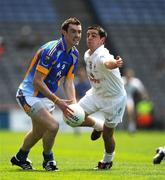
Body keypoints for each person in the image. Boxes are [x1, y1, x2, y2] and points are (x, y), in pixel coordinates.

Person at [10, 17, 83, 171]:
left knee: (38, 132)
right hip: (29, 94)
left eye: (79, 32)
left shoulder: (74, 55)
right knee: (53, 126)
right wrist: (58, 102)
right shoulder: (51, 51)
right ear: (64, 32)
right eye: (73, 31)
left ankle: (20, 157)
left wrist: (73, 103)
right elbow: (37, 81)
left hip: (46, 97)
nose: (77, 35)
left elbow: (68, 81)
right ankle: (48, 160)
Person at [78, 25, 127, 170]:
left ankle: (107, 160)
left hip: (114, 99)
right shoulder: (88, 54)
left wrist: (114, 64)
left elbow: (107, 62)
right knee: (71, 117)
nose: (89, 38)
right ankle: (98, 125)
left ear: (102, 40)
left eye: (94, 35)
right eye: (88, 35)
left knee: (108, 136)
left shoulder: (102, 54)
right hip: (96, 94)